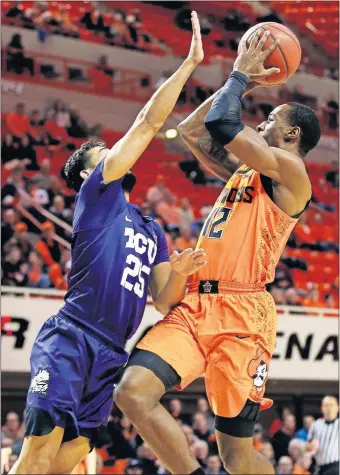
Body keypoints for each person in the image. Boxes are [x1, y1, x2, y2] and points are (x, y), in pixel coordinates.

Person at [115, 30, 321, 475]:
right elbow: (193, 129)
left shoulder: (291, 172)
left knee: (235, 456)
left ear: (292, 133)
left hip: (244, 315)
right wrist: (238, 82)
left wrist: (240, 78)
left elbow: (223, 126)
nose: (261, 123)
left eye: (269, 121)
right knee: (131, 392)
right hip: (197, 304)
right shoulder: (250, 169)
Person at [9, 12, 205, 475]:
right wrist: (189, 65)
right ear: (86, 172)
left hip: (113, 350)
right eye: (104, 151)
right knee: (37, 454)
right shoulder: (97, 195)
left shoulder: (152, 226)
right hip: (73, 337)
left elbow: (163, 300)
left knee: (67, 460)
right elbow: (145, 123)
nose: (115, 150)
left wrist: (178, 274)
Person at [306, 396, 339, 475]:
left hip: (336, 465)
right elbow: (308, 444)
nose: (328, 408)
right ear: (322, 408)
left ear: (338, 407)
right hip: (319, 466)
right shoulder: (315, 425)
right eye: (326, 405)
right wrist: (310, 446)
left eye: (331, 405)